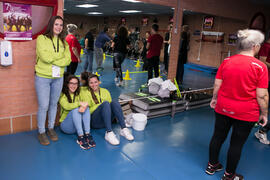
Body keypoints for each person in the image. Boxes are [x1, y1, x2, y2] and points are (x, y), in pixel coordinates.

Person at [206, 29, 268, 180]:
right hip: (246, 113)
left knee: (218, 136)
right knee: (236, 144)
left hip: (223, 107)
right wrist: (264, 113)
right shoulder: (260, 67)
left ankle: (212, 166)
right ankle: (229, 176)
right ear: (255, 46)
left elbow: (217, 84)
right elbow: (262, 95)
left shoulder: (227, 61)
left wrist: (214, 98)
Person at [35, 16, 71, 145]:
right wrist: (59, 59)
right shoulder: (41, 39)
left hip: (58, 77)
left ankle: (50, 128)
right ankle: (41, 131)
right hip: (43, 77)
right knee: (44, 105)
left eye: (61, 25)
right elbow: (45, 57)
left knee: (54, 104)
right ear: (51, 25)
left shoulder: (64, 42)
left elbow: (68, 59)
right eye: (56, 24)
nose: (58, 27)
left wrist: (56, 59)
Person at [80, 74, 134, 145]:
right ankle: (109, 133)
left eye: (95, 82)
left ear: (99, 82)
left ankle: (123, 129)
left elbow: (110, 108)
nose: (94, 84)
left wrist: (103, 105)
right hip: (94, 121)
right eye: (91, 83)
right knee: (105, 103)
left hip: (107, 120)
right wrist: (101, 105)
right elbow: (87, 111)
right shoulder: (85, 93)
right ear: (88, 84)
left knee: (114, 102)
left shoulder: (105, 91)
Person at [59, 75, 95, 150]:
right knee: (75, 109)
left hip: (78, 126)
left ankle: (87, 134)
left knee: (86, 108)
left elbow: (89, 102)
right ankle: (80, 137)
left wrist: (84, 105)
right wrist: (79, 104)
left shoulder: (79, 94)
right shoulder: (63, 95)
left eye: (75, 84)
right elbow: (67, 106)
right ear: (67, 84)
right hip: (66, 127)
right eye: (71, 83)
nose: (73, 86)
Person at [254, 37, 270, 145]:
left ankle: (262, 129)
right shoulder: (266, 46)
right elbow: (263, 63)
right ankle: (262, 130)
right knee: (263, 101)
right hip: (266, 79)